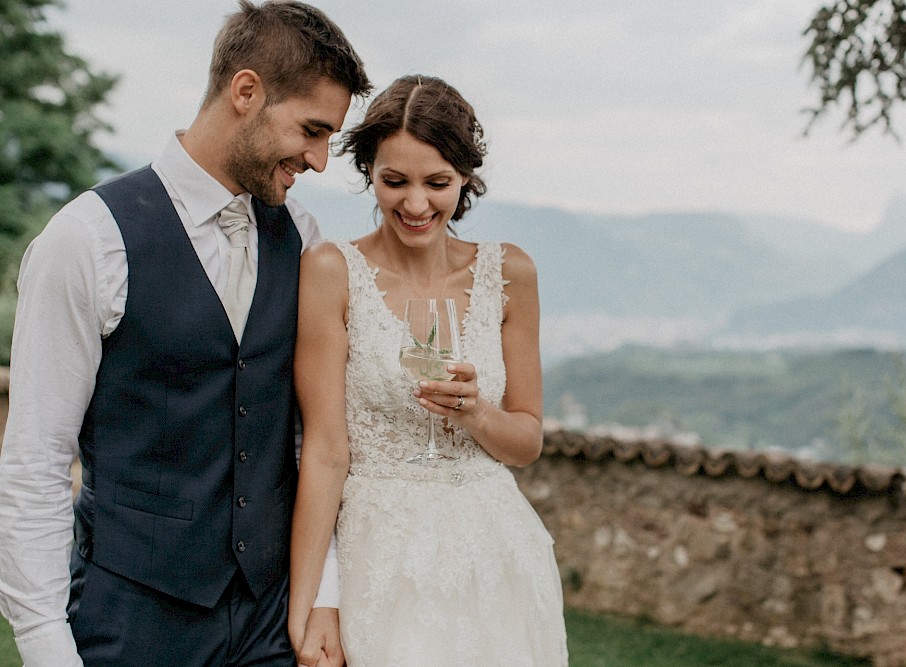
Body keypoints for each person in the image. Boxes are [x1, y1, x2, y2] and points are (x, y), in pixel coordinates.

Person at [0, 2, 371, 665]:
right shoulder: (87, 239)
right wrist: (45, 644)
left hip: (267, 621)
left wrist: (326, 593)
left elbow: (313, 438)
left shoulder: (307, 242)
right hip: (130, 621)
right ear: (246, 91)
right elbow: (35, 461)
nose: (318, 159)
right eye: (311, 130)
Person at [289, 74, 569, 666]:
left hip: (497, 557)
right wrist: (311, 601)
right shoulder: (330, 270)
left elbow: (526, 442)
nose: (415, 204)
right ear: (370, 174)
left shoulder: (511, 272)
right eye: (395, 181)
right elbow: (324, 452)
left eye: (436, 183)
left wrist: (476, 413)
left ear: (465, 177)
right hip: (381, 558)